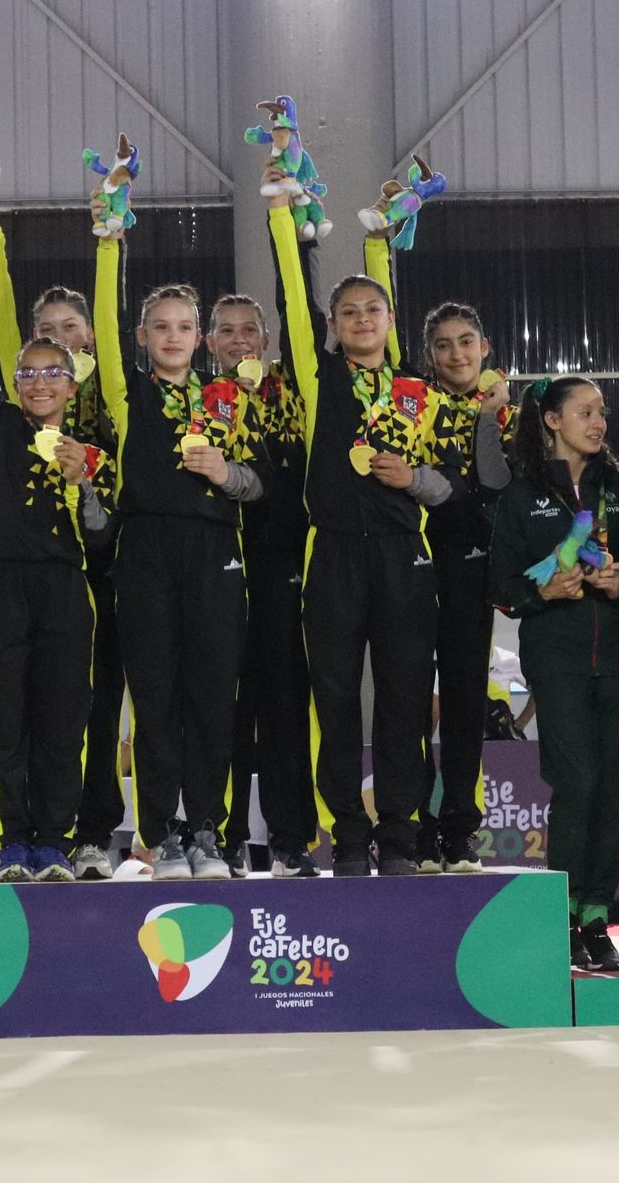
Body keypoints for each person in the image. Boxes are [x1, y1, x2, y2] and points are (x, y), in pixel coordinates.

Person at [265, 179, 452, 877]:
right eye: (348, 311)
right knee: (336, 697)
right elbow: (291, 296)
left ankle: (400, 834)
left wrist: (417, 482)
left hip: (406, 555)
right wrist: (282, 218)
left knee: (405, 698)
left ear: (389, 317)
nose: (361, 317)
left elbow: (448, 481)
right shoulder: (319, 379)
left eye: (373, 307)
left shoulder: (417, 390)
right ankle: (346, 830)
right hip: (334, 556)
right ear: (335, 325)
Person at [93, 221, 268, 881]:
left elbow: (259, 483)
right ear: (143, 338)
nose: (172, 336)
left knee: (212, 697)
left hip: (216, 550)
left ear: (202, 338)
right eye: (159, 326)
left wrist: (225, 475)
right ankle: (162, 833)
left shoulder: (228, 400)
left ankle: (208, 831)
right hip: (145, 550)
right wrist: (110, 241)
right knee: (156, 696)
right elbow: (102, 328)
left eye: (184, 326)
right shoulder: (128, 395)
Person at [0, 245, 115, 882]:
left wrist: (85, 485)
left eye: (53, 373)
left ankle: (56, 842)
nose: (40, 383)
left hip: (67, 591)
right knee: (2, 721)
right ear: (15, 384)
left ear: (73, 383)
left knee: (62, 721)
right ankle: (12, 840)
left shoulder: (87, 448)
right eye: (29, 373)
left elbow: (100, 538)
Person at [489, 375, 619, 971]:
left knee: (616, 788)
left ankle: (599, 918)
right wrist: (542, 590)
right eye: (584, 411)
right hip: (556, 658)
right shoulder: (521, 497)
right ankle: (567, 914)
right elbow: (500, 585)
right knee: (576, 782)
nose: (598, 422)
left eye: (602, 412)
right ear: (552, 420)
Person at [208, 293, 315, 877]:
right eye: (227, 331)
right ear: (210, 343)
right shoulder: (197, 405)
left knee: (283, 704)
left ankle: (289, 839)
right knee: (221, 708)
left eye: (250, 330)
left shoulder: (293, 399)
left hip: (282, 567)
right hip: (212, 568)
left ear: (268, 340)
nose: (240, 339)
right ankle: (221, 839)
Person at [417, 301, 514, 873]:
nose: (457, 353)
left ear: (486, 346)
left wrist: (487, 414)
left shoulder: (511, 415)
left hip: (472, 569)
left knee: (463, 705)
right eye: (445, 345)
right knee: (407, 707)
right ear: (430, 356)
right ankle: (414, 830)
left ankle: (458, 830)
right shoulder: (413, 406)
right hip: (411, 565)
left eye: (466, 341)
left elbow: (497, 483)